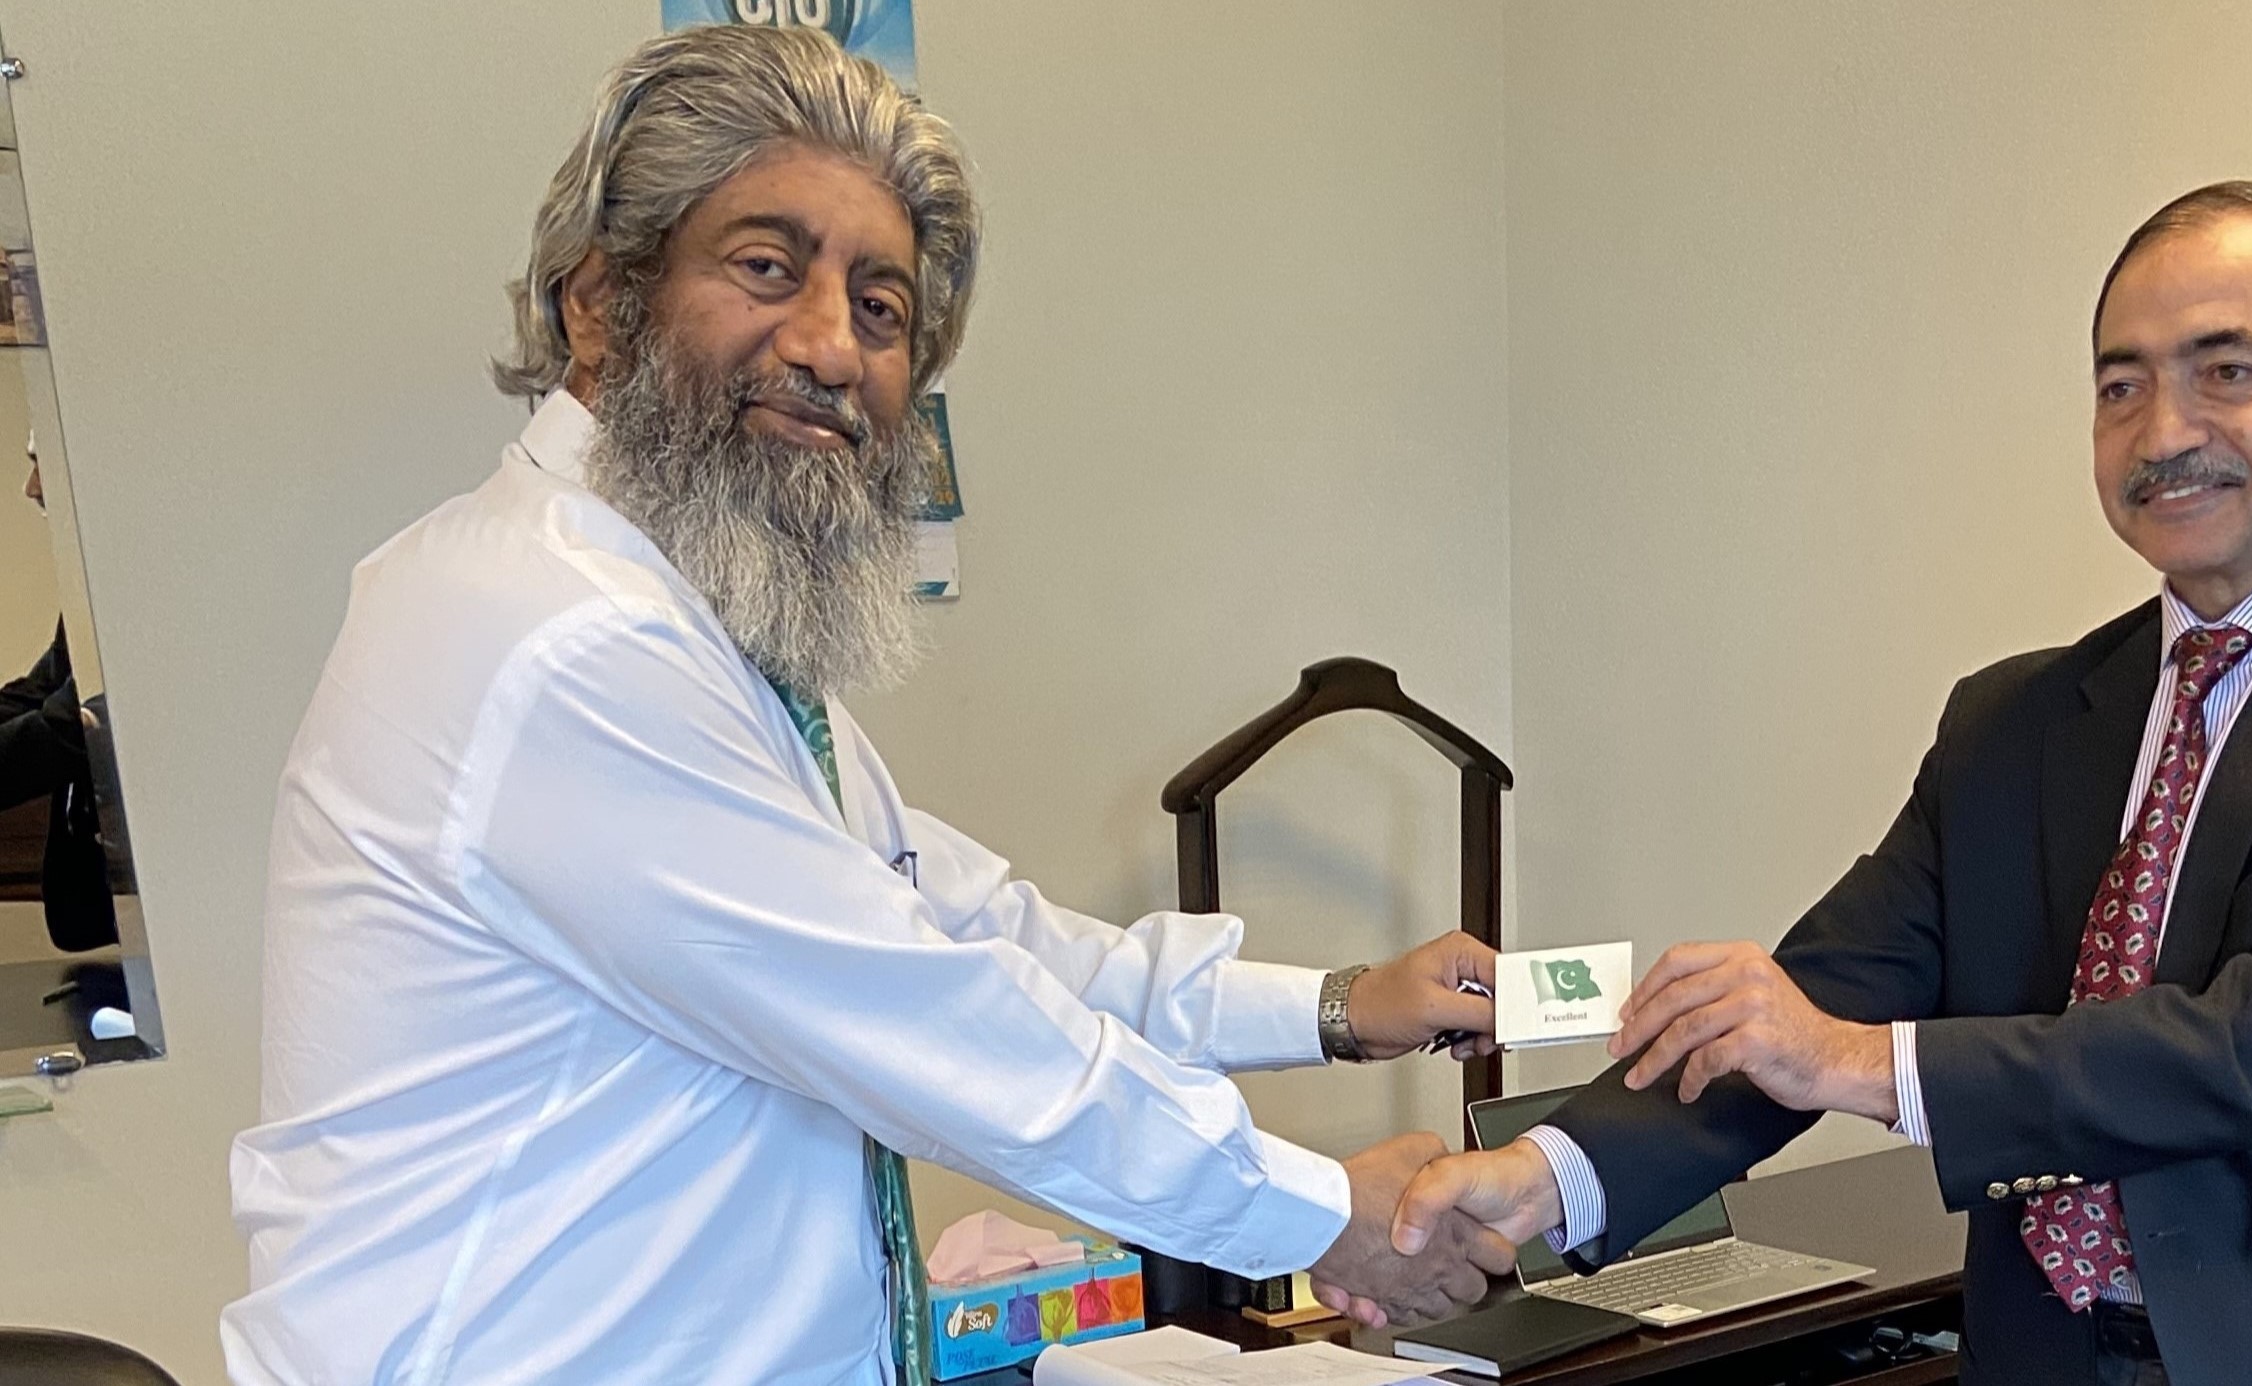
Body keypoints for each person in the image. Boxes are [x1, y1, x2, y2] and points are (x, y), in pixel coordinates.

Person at [221, 28, 1507, 1385]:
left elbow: (976, 934)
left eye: (881, 307)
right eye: (765, 266)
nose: (834, 347)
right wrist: (1323, 1213)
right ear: (600, 303)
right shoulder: (563, 638)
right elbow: (941, 1028)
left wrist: (1338, 1005)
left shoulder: (690, 628)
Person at [1388, 183, 2252, 1386]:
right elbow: (1815, 1000)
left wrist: (1863, 1064)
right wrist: (1543, 1178)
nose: (2164, 432)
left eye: (2228, 371)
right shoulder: (2015, 722)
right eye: (2120, 386)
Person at [1, 439, 115, 953]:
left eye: (40, 462)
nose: (31, 488)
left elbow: (72, 723)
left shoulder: (149, 582)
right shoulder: (99, 578)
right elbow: (39, 693)